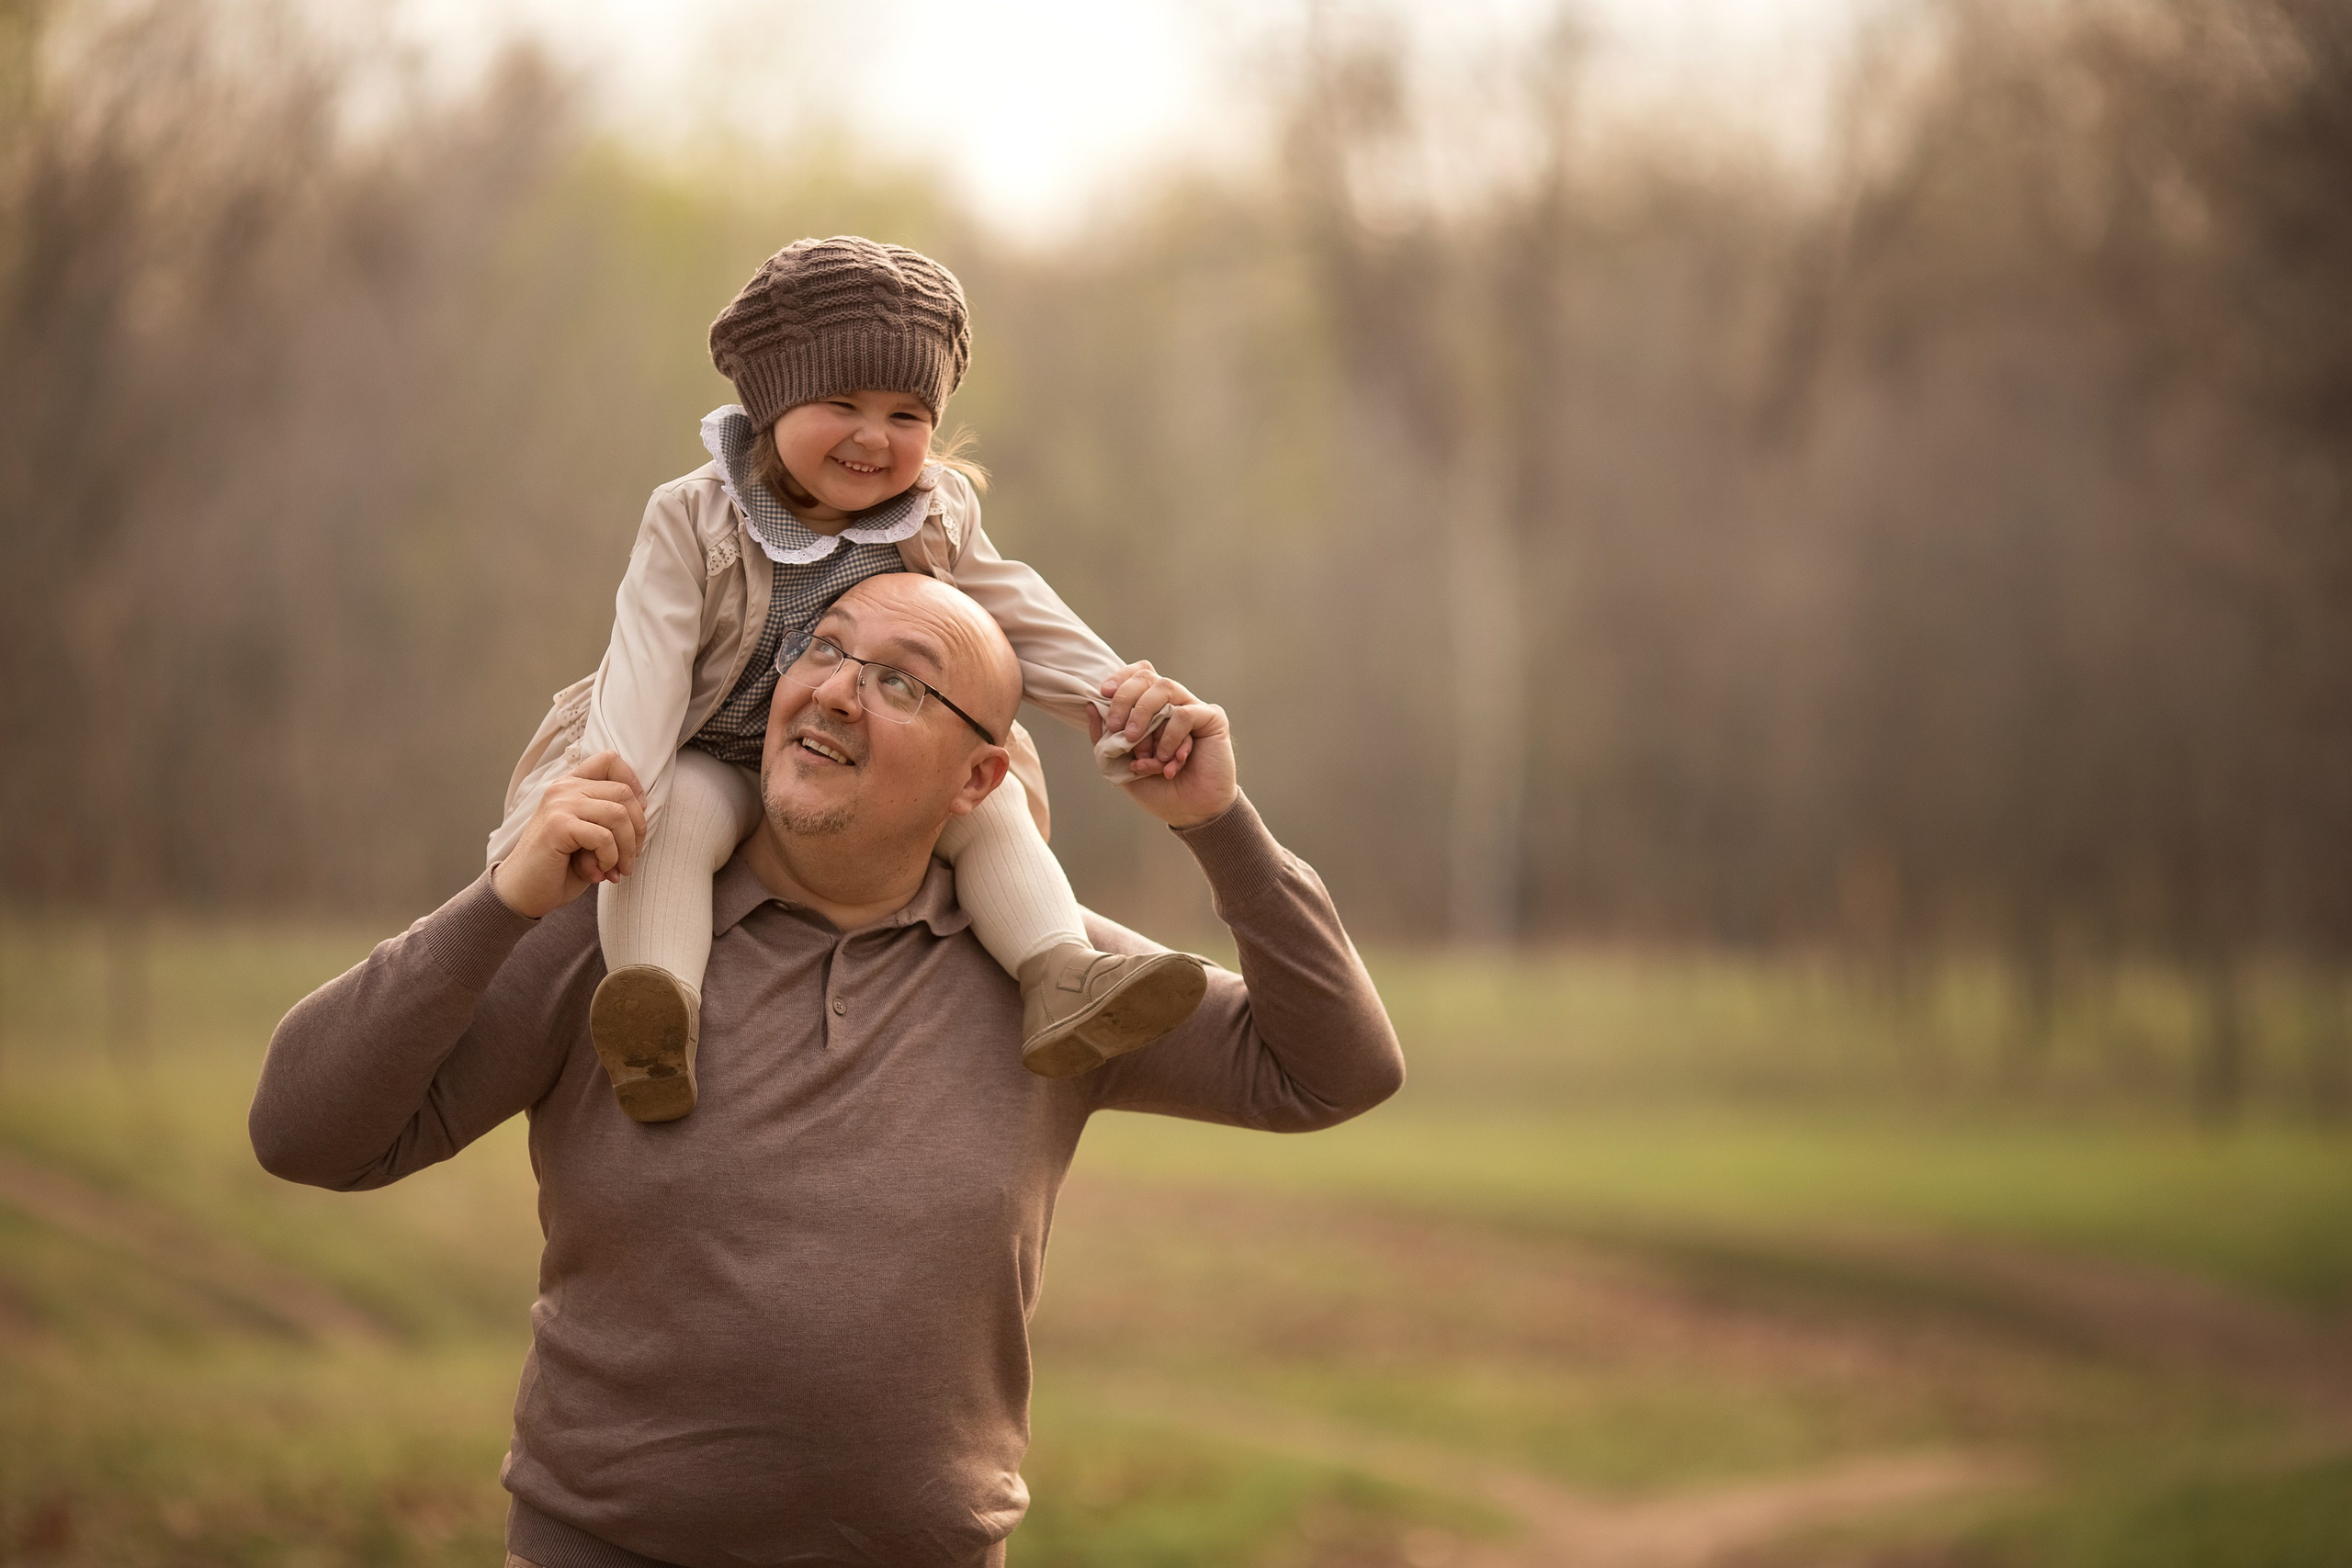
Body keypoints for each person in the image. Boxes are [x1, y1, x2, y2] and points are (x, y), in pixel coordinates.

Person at [250, 571, 1405, 1568]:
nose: (836, 688)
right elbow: (303, 1132)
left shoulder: (1058, 980)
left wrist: (1219, 823)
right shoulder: (611, 932)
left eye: (901, 681)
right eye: (823, 648)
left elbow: (1333, 1070)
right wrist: (500, 903)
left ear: (978, 780)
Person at [491, 234, 1207, 1124]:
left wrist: (1117, 698)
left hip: (861, 761)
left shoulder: (935, 514)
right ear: (771, 402)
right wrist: (612, 790)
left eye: (908, 416)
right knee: (672, 824)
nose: (875, 437)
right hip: (710, 745)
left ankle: (1058, 971)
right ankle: (654, 1009)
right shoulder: (695, 517)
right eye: (843, 403)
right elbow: (649, 663)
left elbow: (1012, 616)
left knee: (987, 808)